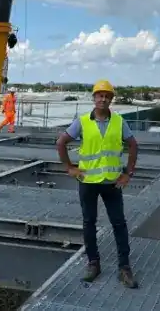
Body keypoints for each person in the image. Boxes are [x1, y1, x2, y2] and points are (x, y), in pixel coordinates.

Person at [56, 79, 139, 288]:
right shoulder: (82, 121)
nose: (103, 98)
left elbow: (133, 145)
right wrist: (69, 168)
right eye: (99, 95)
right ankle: (93, 264)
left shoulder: (119, 121)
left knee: (119, 223)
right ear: (93, 98)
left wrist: (128, 173)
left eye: (107, 95)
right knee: (89, 223)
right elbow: (61, 142)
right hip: (88, 181)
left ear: (111, 99)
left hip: (112, 182)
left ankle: (124, 268)